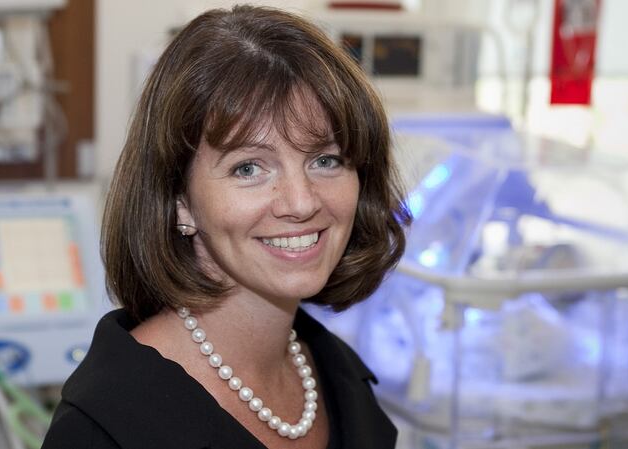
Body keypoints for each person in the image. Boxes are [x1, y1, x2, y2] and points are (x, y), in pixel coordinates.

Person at [42, 5, 410, 449]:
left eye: (325, 160)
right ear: (180, 200)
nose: (301, 201)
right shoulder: (105, 428)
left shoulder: (342, 381)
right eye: (249, 168)